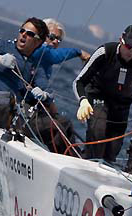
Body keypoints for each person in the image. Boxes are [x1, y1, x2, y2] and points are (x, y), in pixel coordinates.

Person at [73, 25, 132, 163]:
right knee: (98, 133)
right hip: (98, 97)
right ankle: (88, 164)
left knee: (112, 150)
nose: (131, 52)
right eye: (128, 47)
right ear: (121, 40)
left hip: (121, 105)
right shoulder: (105, 51)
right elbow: (79, 81)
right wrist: (83, 101)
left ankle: (102, 168)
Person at [25, 18, 90, 155]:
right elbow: (55, 56)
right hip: (24, 112)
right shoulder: (38, 51)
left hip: (38, 110)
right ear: (41, 35)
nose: (55, 42)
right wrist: (78, 52)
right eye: (52, 37)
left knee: (65, 122)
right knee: (55, 126)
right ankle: (70, 157)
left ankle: (76, 156)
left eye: (58, 40)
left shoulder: (46, 59)